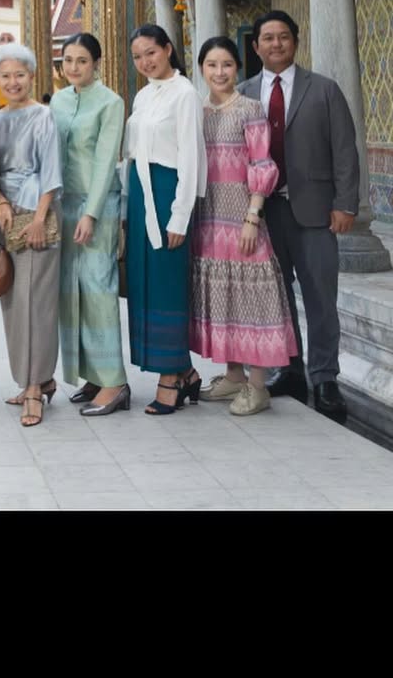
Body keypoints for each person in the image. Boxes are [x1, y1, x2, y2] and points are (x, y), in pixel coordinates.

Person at [239, 10, 358, 423]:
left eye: (283, 37)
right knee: (278, 298)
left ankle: (324, 378)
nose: (276, 44)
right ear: (256, 46)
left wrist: (345, 204)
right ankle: (289, 370)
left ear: (295, 41)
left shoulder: (323, 90)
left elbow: (344, 150)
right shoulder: (244, 94)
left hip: (315, 212)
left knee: (321, 298)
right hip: (264, 213)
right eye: (268, 38)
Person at [190, 37, 299, 417]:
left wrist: (253, 217)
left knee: (254, 300)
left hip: (242, 218)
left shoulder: (250, 109)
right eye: (212, 65)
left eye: (227, 65)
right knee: (225, 299)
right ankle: (234, 376)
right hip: (208, 220)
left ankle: (258, 386)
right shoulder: (197, 111)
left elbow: (262, 163)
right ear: (201, 69)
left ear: (237, 68)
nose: (219, 72)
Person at [123, 24, 206, 416]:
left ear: (168, 49)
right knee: (145, 283)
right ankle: (185, 371)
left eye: (151, 53)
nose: (145, 62)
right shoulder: (143, 95)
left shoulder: (185, 93)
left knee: (167, 284)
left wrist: (180, 215)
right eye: (138, 57)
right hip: (141, 194)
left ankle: (170, 378)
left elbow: (190, 156)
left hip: (167, 191)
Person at [50, 32, 129, 417]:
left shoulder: (111, 102)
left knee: (98, 288)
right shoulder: (59, 101)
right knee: (72, 291)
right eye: (68, 60)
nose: (74, 67)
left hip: (98, 206)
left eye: (82, 60)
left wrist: (91, 213)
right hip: (64, 205)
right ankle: (93, 376)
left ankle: (114, 382)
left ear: (96, 63)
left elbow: (105, 160)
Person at [0, 43, 63, 427]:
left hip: (38, 213)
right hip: (6, 216)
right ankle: (32, 379)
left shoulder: (44, 116)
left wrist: (39, 218)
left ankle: (35, 389)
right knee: (13, 303)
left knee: (36, 303)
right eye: (5, 76)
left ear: (32, 76)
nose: (13, 82)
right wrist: (0, 202)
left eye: (19, 74)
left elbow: (51, 170)